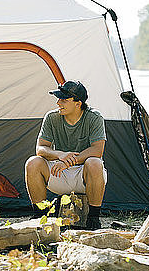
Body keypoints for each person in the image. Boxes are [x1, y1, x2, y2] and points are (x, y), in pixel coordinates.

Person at [24, 80, 107, 230]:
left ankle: (93, 219)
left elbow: (97, 150)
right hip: (59, 172)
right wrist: (60, 155)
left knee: (95, 162)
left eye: (64, 99)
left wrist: (68, 162)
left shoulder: (94, 117)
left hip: (84, 175)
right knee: (33, 162)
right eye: (58, 98)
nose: (58, 103)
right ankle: (40, 216)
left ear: (78, 103)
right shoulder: (51, 117)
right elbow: (40, 148)